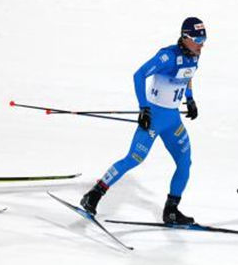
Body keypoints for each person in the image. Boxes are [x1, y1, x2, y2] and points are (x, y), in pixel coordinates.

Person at [80, 17, 206, 225]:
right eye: (198, 40)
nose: (202, 45)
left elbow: (188, 75)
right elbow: (139, 75)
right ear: (185, 37)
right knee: (134, 158)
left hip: (173, 121)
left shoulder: (194, 55)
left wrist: (190, 99)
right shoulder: (167, 57)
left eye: (204, 40)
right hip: (154, 118)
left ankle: (171, 210)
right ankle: (94, 194)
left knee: (185, 163)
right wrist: (144, 108)